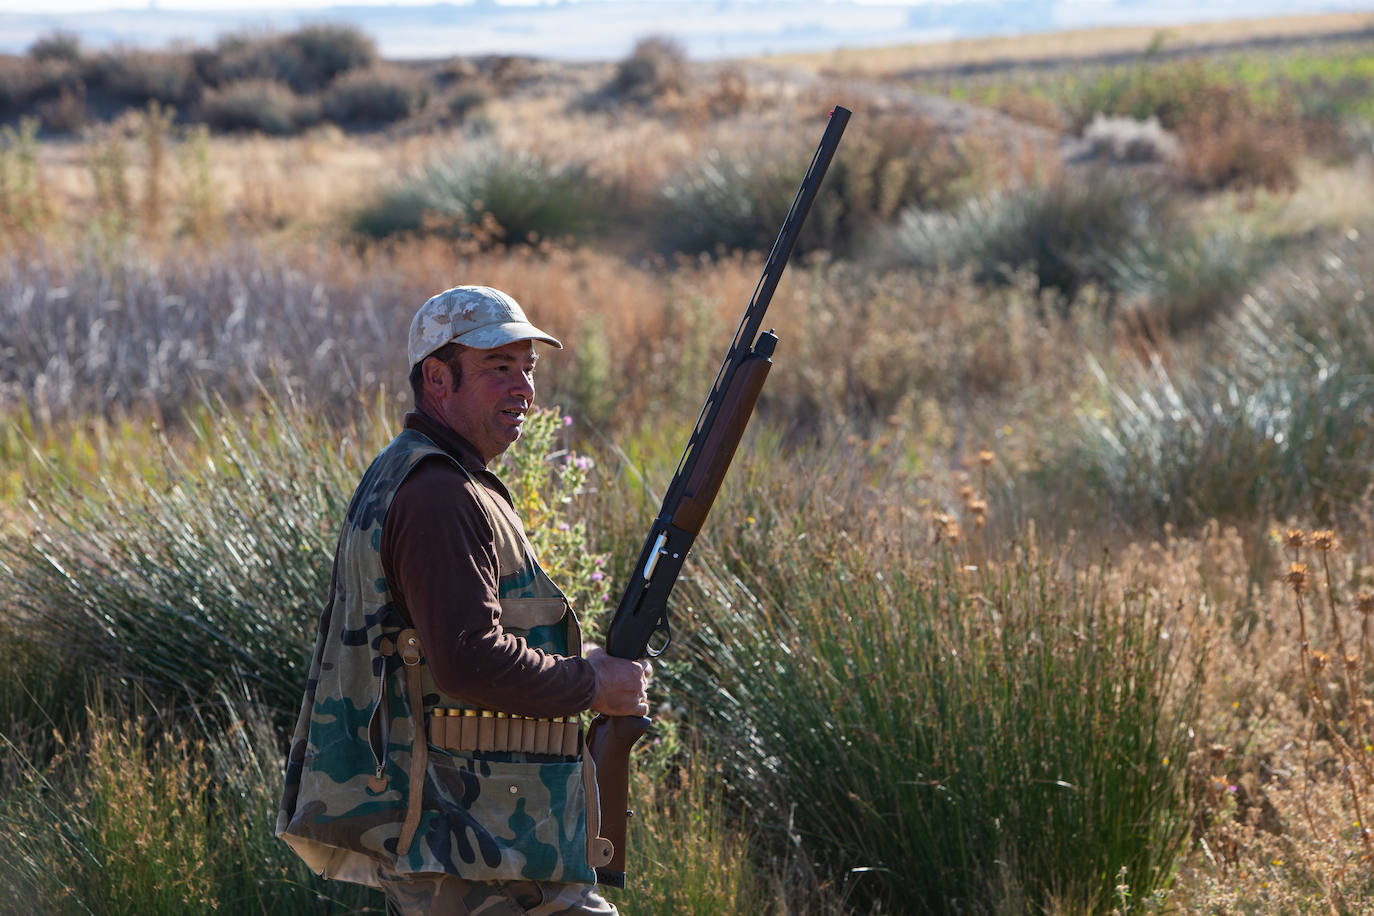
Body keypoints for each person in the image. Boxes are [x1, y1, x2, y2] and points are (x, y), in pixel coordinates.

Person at [277, 285, 650, 915]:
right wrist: (592, 684)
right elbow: (467, 659)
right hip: (473, 848)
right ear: (437, 378)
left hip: (479, 840)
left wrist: (570, 657)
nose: (524, 390)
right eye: (499, 369)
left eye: (528, 370)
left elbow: (443, 647)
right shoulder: (439, 495)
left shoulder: (427, 475)